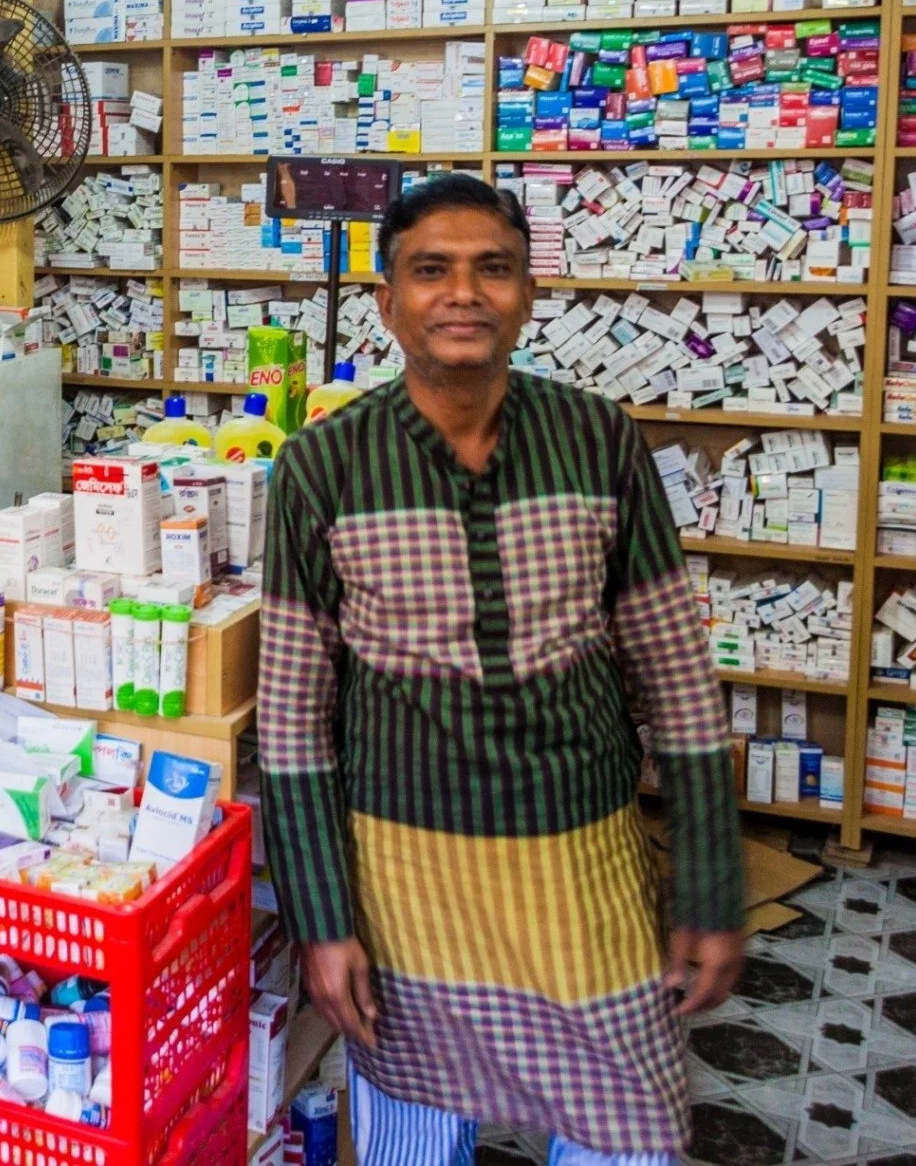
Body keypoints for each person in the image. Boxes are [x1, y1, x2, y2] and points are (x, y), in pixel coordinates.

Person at [258, 172, 744, 1164]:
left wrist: (706, 884)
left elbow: (677, 680)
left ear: (528, 292)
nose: (462, 293)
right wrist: (319, 919)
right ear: (385, 303)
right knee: (406, 1139)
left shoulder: (597, 438)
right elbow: (292, 723)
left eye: (493, 269)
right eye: (429, 270)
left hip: (580, 869)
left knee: (624, 1135)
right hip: (402, 885)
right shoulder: (321, 466)